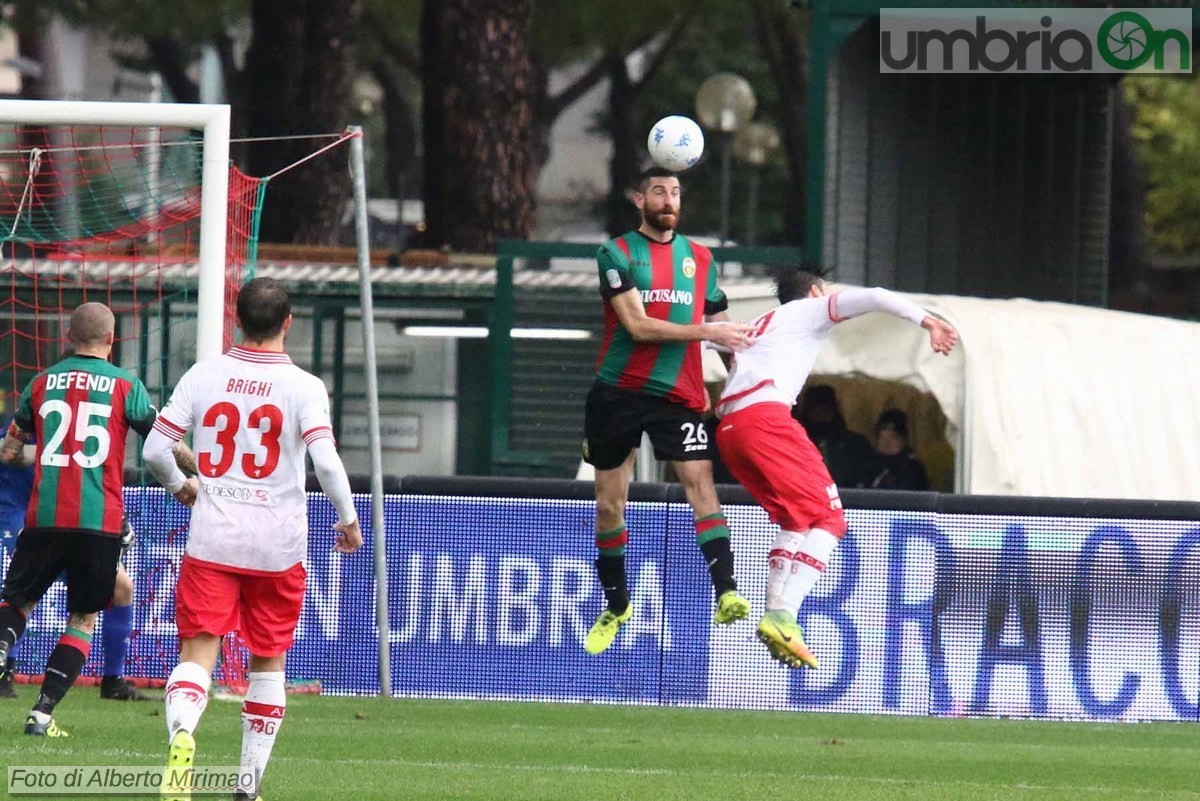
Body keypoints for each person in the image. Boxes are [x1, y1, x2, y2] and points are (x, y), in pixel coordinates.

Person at [143, 277, 362, 801]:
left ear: (237, 320)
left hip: (212, 540)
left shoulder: (205, 374)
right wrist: (348, 519)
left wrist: (182, 486)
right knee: (268, 661)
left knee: (198, 654)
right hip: (277, 546)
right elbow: (326, 461)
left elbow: (155, 449)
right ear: (288, 323)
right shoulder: (304, 386)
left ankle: (182, 736)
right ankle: (247, 786)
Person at [714, 270, 958, 668]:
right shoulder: (810, 310)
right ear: (813, 292)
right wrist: (927, 320)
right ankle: (785, 612)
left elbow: (716, 347)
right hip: (765, 419)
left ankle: (778, 613)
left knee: (796, 522)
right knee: (830, 519)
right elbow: (877, 294)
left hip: (729, 431)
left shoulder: (759, 324)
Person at [581, 166, 754, 655]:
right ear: (640, 199)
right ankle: (617, 604)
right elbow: (637, 326)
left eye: (675, 192)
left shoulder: (700, 259)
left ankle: (727, 591)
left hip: (677, 394)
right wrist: (708, 333)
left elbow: (722, 325)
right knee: (611, 501)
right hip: (617, 392)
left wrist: (744, 377)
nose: (668, 199)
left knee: (700, 482)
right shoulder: (615, 253)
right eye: (659, 191)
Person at [0, 302, 194, 737]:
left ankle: (0, 649)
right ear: (112, 340)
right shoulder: (127, 384)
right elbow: (164, 442)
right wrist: (200, 470)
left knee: (16, 604)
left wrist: (51, 454)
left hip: (44, 517)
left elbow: (10, 453)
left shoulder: (41, 382)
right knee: (84, 617)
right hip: (98, 521)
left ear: (69, 336)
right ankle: (42, 714)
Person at [794, 384, 877, 489]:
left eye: (825, 410)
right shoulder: (795, 442)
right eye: (816, 410)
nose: (821, 415)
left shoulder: (856, 444)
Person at [868, 409, 931, 491]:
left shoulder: (912, 470)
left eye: (893, 437)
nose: (886, 442)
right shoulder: (869, 466)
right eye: (882, 437)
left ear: (904, 440)